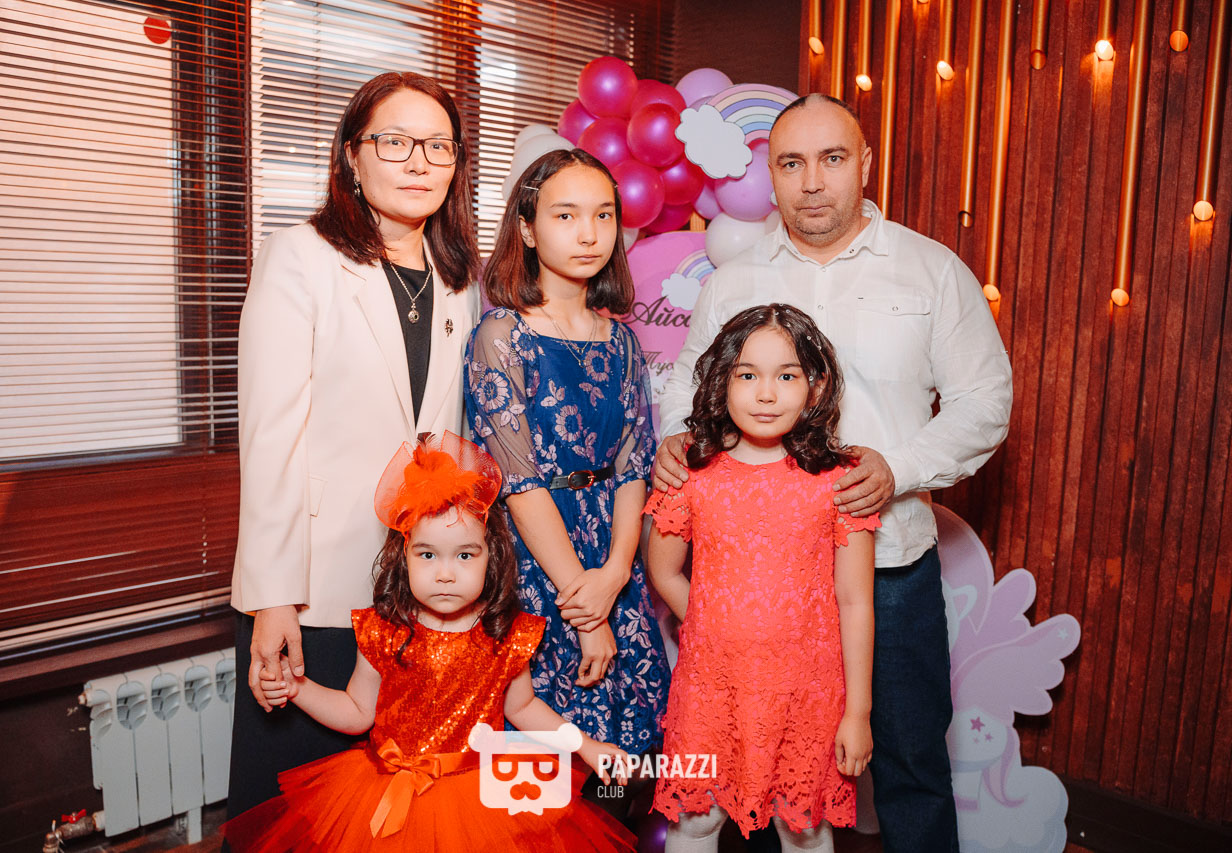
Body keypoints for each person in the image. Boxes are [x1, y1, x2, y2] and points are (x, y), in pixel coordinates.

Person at [653, 94, 1013, 853]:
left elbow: (985, 402)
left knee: (911, 763)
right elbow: (689, 389)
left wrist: (899, 468)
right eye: (792, 163)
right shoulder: (733, 282)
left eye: (832, 159)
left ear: (865, 165)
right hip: (756, 586)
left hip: (886, 572)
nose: (812, 181)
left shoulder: (930, 271)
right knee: (755, 776)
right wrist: (677, 440)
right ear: (771, 176)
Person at [228, 71, 481, 817]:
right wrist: (273, 599)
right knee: (294, 806)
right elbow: (269, 435)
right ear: (351, 154)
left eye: (438, 145)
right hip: (318, 581)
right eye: (395, 142)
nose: (418, 162)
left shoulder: (459, 279)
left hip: (420, 586)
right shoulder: (299, 256)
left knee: (394, 803)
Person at [223, 433, 636, 852]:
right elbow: (356, 712)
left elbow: (524, 708)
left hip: (479, 800)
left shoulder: (506, 633)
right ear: (403, 557)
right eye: (427, 555)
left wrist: (586, 746)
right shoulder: (385, 629)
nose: (445, 573)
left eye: (464, 555)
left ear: (491, 556)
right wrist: (298, 688)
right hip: (386, 791)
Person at [464, 149, 671, 764]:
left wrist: (616, 572)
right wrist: (587, 610)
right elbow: (518, 483)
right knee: (548, 761)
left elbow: (633, 465)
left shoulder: (623, 341)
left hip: (614, 560)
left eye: (604, 215)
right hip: (538, 566)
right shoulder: (501, 336)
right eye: (566, 215)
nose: (589, 233)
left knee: (631, 758)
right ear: (527, 229)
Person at [646, 305, 877, 852]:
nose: (767, 394)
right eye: (747, 375)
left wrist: (859, 712)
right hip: (710, 692)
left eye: (787, 376)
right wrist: (713, 627)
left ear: (816, 387)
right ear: (720, 382)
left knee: (804, 829)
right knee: (695, 822)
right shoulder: (691, 473)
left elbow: (855, 602)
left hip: (808, 695)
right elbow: (663, 570)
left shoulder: (841, 481)